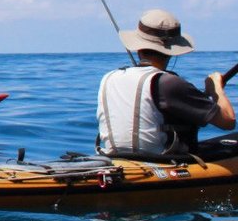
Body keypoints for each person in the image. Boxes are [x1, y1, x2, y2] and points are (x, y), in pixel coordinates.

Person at [97, 9, 234, 159]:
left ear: (138, 48)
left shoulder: (108, 78)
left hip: (114, 157)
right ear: (171, 52)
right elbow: (228, 122)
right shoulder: (169, 83)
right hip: (163, 160)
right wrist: (217, 90)